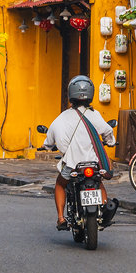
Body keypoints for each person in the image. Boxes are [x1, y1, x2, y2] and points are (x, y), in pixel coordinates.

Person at [39, 75, 119, 230]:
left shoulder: (61, 118)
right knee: (99, 182)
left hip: (72, 165)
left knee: (60, 184)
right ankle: (104, 211)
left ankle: (61, 218)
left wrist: (46, 146)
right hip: (94, 164)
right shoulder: (95, 115)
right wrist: (110, 142)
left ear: (71, 94)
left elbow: (49, 140)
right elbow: (108, 132)